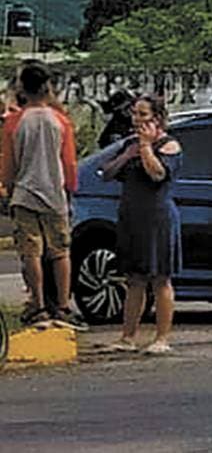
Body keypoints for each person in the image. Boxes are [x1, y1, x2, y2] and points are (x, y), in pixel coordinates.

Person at [0, 63, 86, 330]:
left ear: (22, 88)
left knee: (31, 253)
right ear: (47, 87)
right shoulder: (60, 121)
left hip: (25, 194)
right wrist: (70, 188)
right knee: (60, 252)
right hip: (54, 194)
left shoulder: (14, 122)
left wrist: (9, 188)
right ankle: (63, 305)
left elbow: (9, 164)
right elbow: (69, 161)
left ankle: (37, 305)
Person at [99, 95, 183, 354]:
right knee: (134, 279)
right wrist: (128, 154)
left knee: (160, 279)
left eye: (143, 114)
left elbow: (158, 174)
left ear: (157, 118)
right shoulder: (129, 145)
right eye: (135, 113)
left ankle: (162, 337)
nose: (137, 119)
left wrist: (146, 147)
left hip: (157, 218)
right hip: (132, 217)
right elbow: (107, 172)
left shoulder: (169, 146)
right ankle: (128, 336)